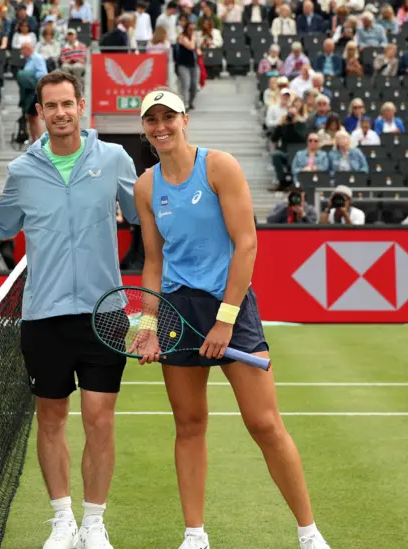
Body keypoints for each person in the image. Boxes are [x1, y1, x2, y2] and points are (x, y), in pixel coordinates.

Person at [131, 88, 332, 549]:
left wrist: (225, 320)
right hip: (178, 312)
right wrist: (147, 326)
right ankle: (195, 536)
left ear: (184, 119)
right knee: (189, 424)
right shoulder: (145, 186)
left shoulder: (220, 166)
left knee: (264, 423)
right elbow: (154, 262)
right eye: (151, 120)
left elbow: (247, 244)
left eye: (168, 117)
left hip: (230, 306)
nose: (160, 126)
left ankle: (309, 533)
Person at [0, 71, 139, 549]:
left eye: (69, 104)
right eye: (52, 106)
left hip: (104, 313)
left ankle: (93, 522)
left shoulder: (113, 159)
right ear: (40, 113)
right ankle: (62, 519)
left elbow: (147, 213)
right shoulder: (24, 171)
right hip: (42, 316)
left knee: (100, 419)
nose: (61, 113)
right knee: (51, 419)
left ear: (80, 106)